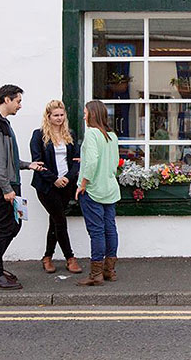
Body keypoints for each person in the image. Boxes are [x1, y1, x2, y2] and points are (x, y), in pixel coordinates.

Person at [0, 84, 45, 290]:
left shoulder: (3, 123)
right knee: (3, 227)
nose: (20, 105)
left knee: (13, 225)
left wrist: (28, 165)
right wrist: (6, 189)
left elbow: (9, 158)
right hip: (2, 185)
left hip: (8, 182)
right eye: (18, 101)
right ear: (6, 99)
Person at [30, 100, 82, 274]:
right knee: (60, 220)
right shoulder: (39, 136)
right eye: (56, 115)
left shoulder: (70, 134)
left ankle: (47, 257)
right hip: (46, 186)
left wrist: (67, 178)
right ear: (48, 117)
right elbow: (38, 163)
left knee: (55, 221)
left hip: (66, 185)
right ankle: (70, 258)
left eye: (61, 115)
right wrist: (54, 179)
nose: (59, 118)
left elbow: (76, 161)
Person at [75, 100, 121, 286]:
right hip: (110, 188)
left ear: (92, 114)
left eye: (85, 113)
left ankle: (96, 275)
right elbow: (114, 161)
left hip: (93, 190)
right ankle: (109, 270)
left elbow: (93, 162)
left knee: (96, 232)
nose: (84, 116)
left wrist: (83, 183)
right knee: (110, 229)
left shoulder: (92, 134)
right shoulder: (112, 135)